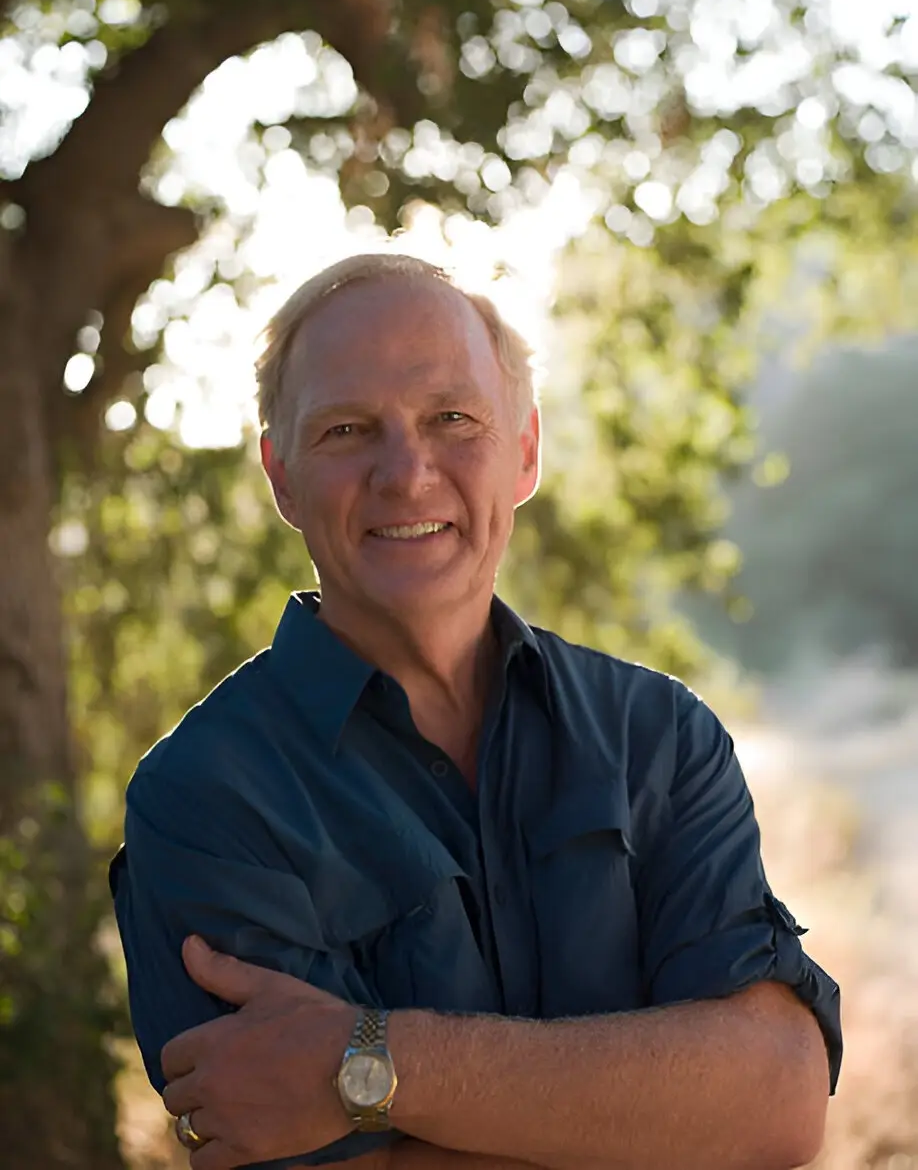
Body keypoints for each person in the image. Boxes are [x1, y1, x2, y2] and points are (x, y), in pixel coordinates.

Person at [110, 253, 841, 1170]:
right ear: (281, 477)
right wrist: (668, 1114)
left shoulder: (660, 737)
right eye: (346, 430)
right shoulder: (206, 796)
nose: (407, 474)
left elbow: (776, 1101)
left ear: (526, 450)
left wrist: (369, 1066)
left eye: (452, 418)